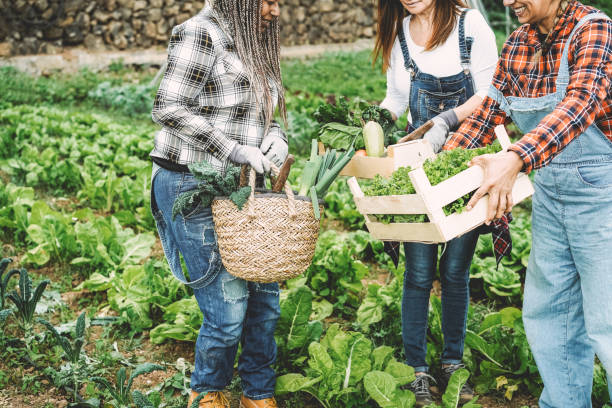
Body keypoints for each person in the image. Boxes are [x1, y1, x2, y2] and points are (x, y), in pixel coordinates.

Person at [444, 0, 612, 406]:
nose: (507, 1)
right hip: (551, 194)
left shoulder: (595, 30)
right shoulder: (518, 42)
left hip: (603, 194)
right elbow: (488, 116)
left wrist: (516, 158)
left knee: (608, 321)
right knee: (550, 315)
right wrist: (438, 176)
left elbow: (580, 104)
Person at [149, 0, 288, 407]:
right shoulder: (200, 33)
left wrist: (275, 136)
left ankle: (257, 392)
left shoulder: (253, 36)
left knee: (264, 300)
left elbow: (262, 112)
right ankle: (208, 390)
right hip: (191, 182)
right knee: (227, 312)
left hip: (244, 186)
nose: (276, 11)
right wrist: (234, 150)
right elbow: (168, 106)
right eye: (269, 2)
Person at [373, 0, 498, 405]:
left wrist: (445, 122)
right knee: (419, 272)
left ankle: (452, 362)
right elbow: (395, 99)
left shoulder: (471, 26)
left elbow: (491, 95)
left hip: (466, 164)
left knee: (456, 270)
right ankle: (417, 371)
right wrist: (372, 123)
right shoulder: (400, 34)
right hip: (419, 167)